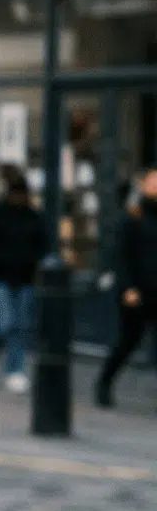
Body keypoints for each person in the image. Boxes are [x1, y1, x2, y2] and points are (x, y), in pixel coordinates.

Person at [0, 165, 46, 394]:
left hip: (24, 279)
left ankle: (15, 370)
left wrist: (32, 263)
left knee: (20, 326)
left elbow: (43, 244)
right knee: (4, 323)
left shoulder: (34, 217)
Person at [97, 167, 157, 408]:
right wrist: (129, 288)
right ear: (143, 186)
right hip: (138, 291)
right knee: (128, 341)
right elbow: (120, 256)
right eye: (154, 181)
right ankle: (104, 383)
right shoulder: (132, 215)